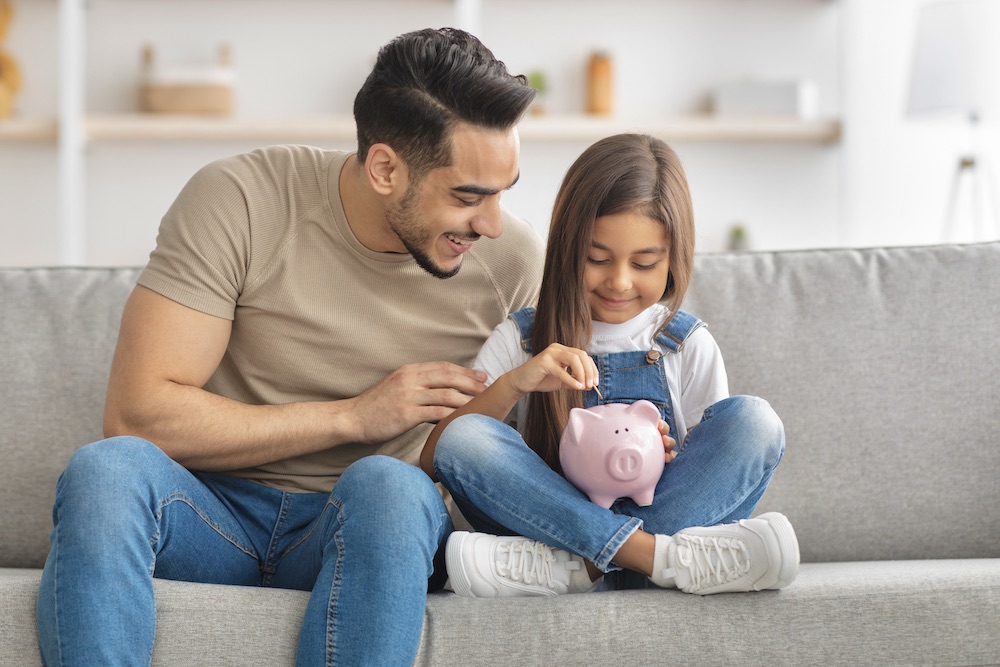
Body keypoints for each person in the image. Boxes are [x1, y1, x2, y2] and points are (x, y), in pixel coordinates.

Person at [36, 28, 543, 666]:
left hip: (364, 524)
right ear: (385, 167)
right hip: (210, 512)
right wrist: (354, 415)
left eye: (504, 191)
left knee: (391, 488)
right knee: (105, 471)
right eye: (468, 197)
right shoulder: (241, 201)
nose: (492, 223)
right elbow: (137, 415)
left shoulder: (513, 261)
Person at [420, 133, 799, 598]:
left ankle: (579, 569)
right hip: (548, 523)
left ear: (673, 260)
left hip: (567, 543)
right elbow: (438, 456)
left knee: (754, 422)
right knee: (467, 435)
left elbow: (708, 476)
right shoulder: (522, 339)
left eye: (644, 263)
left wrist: (668, 453)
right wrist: (517, 384)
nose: (619, 281)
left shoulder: (686, 344)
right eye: (596, 259)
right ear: (566, 249)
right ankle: (653, 560)